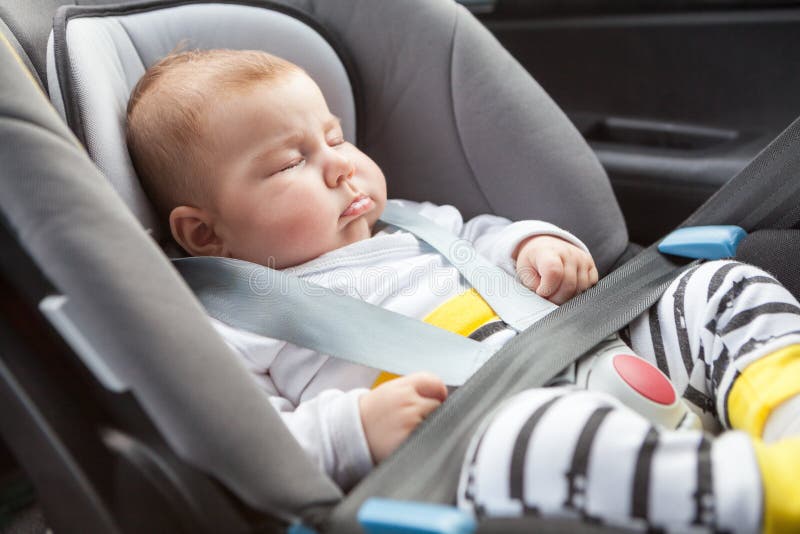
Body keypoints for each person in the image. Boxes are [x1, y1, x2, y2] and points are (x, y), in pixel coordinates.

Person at [125, 49, 800, 533]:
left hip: (581, 346)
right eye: (289, 162)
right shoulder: (236, 318)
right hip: (467, 440)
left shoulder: (412, 221)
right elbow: (252, 441)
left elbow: (483, 238)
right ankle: (759, 496)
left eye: (334, 137)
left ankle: (787, 420)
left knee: (717, 286)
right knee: (547, 435)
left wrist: (534, 247)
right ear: (205, 234)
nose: (339, 165)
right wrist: (352, 430)